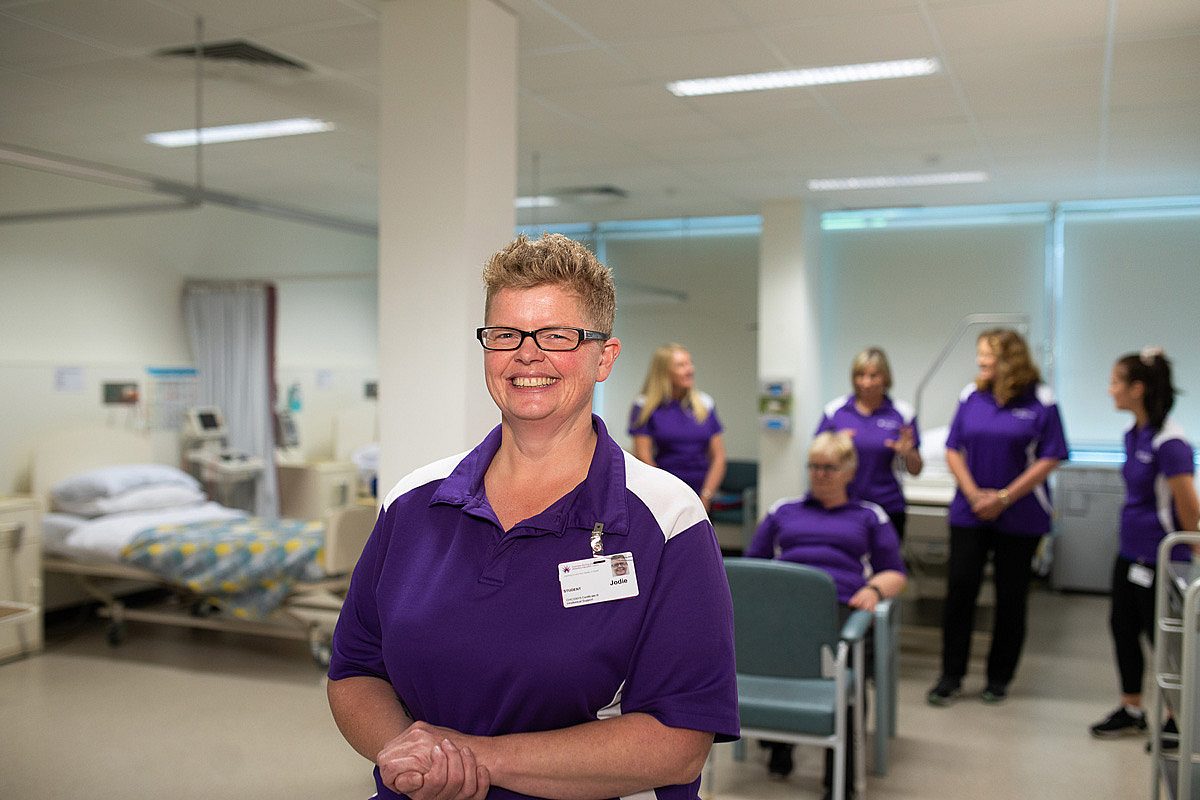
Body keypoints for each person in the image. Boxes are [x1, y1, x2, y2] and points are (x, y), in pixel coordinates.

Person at [326, 233, 739, 800]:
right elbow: (355, 669)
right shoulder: (413, 502)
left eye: (557, 336)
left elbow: (679, 740)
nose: (527, 353)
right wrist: (404, 751)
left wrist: (473, 759)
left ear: (604, 357)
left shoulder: (666, 520)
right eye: (505, 334)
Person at [745, 431, 907, 793]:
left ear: (849, 470)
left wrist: (874, 589)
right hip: (784, 610)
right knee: (774, 662)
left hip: (840, 610)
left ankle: (841, 777)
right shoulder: (783, 511)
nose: (820, 475)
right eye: (814, 467)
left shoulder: (869, 516)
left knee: (845, 679)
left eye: (829, 468)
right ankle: (779, 743)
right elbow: (752, 566)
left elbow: (895, 572)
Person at [927, 328, 1068, 706]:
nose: (980, 361)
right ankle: (950, 676)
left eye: (986, 355)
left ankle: (998, 678)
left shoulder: (1041, 400)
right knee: (960, 591)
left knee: (1011, 598)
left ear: (1010, 358)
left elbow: (1051, 456)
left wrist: (1004, 497)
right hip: (970, 511)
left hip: (1020, 515)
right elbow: (953, 447)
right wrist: (974, 494)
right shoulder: (971, 395)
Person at [1090, 349, 1199, 742]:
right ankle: (1132, 708)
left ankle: (1176, 717)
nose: (1109, 390)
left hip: (1163, 556)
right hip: (1131, 552)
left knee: (1164, 639)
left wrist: (1195, 555)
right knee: (1122, 628)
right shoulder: (1135, 433)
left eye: (1116, 382)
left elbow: (1188, 505)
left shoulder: (1170, 442)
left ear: (1137, 389)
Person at [815, 347, 923, 540]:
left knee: (887, 566)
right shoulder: (835, 411)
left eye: (873, 376)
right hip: (842, 504)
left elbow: (916, 470)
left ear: (885, 378)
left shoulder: (902, 413)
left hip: (887, 505)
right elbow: (816, 459)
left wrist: (908, 453)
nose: (866, 382)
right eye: (861, 375)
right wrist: (836, 445)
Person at [629, 344, 727, 511]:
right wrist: (666, 494)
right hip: (663, 492)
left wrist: (706, 496)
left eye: (690, 363)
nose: (690, 369)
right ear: (664, 372)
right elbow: (643, 456)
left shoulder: (704, 404)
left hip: (701, 492)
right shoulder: (644, 406)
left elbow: (718, 457)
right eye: (681, 365)